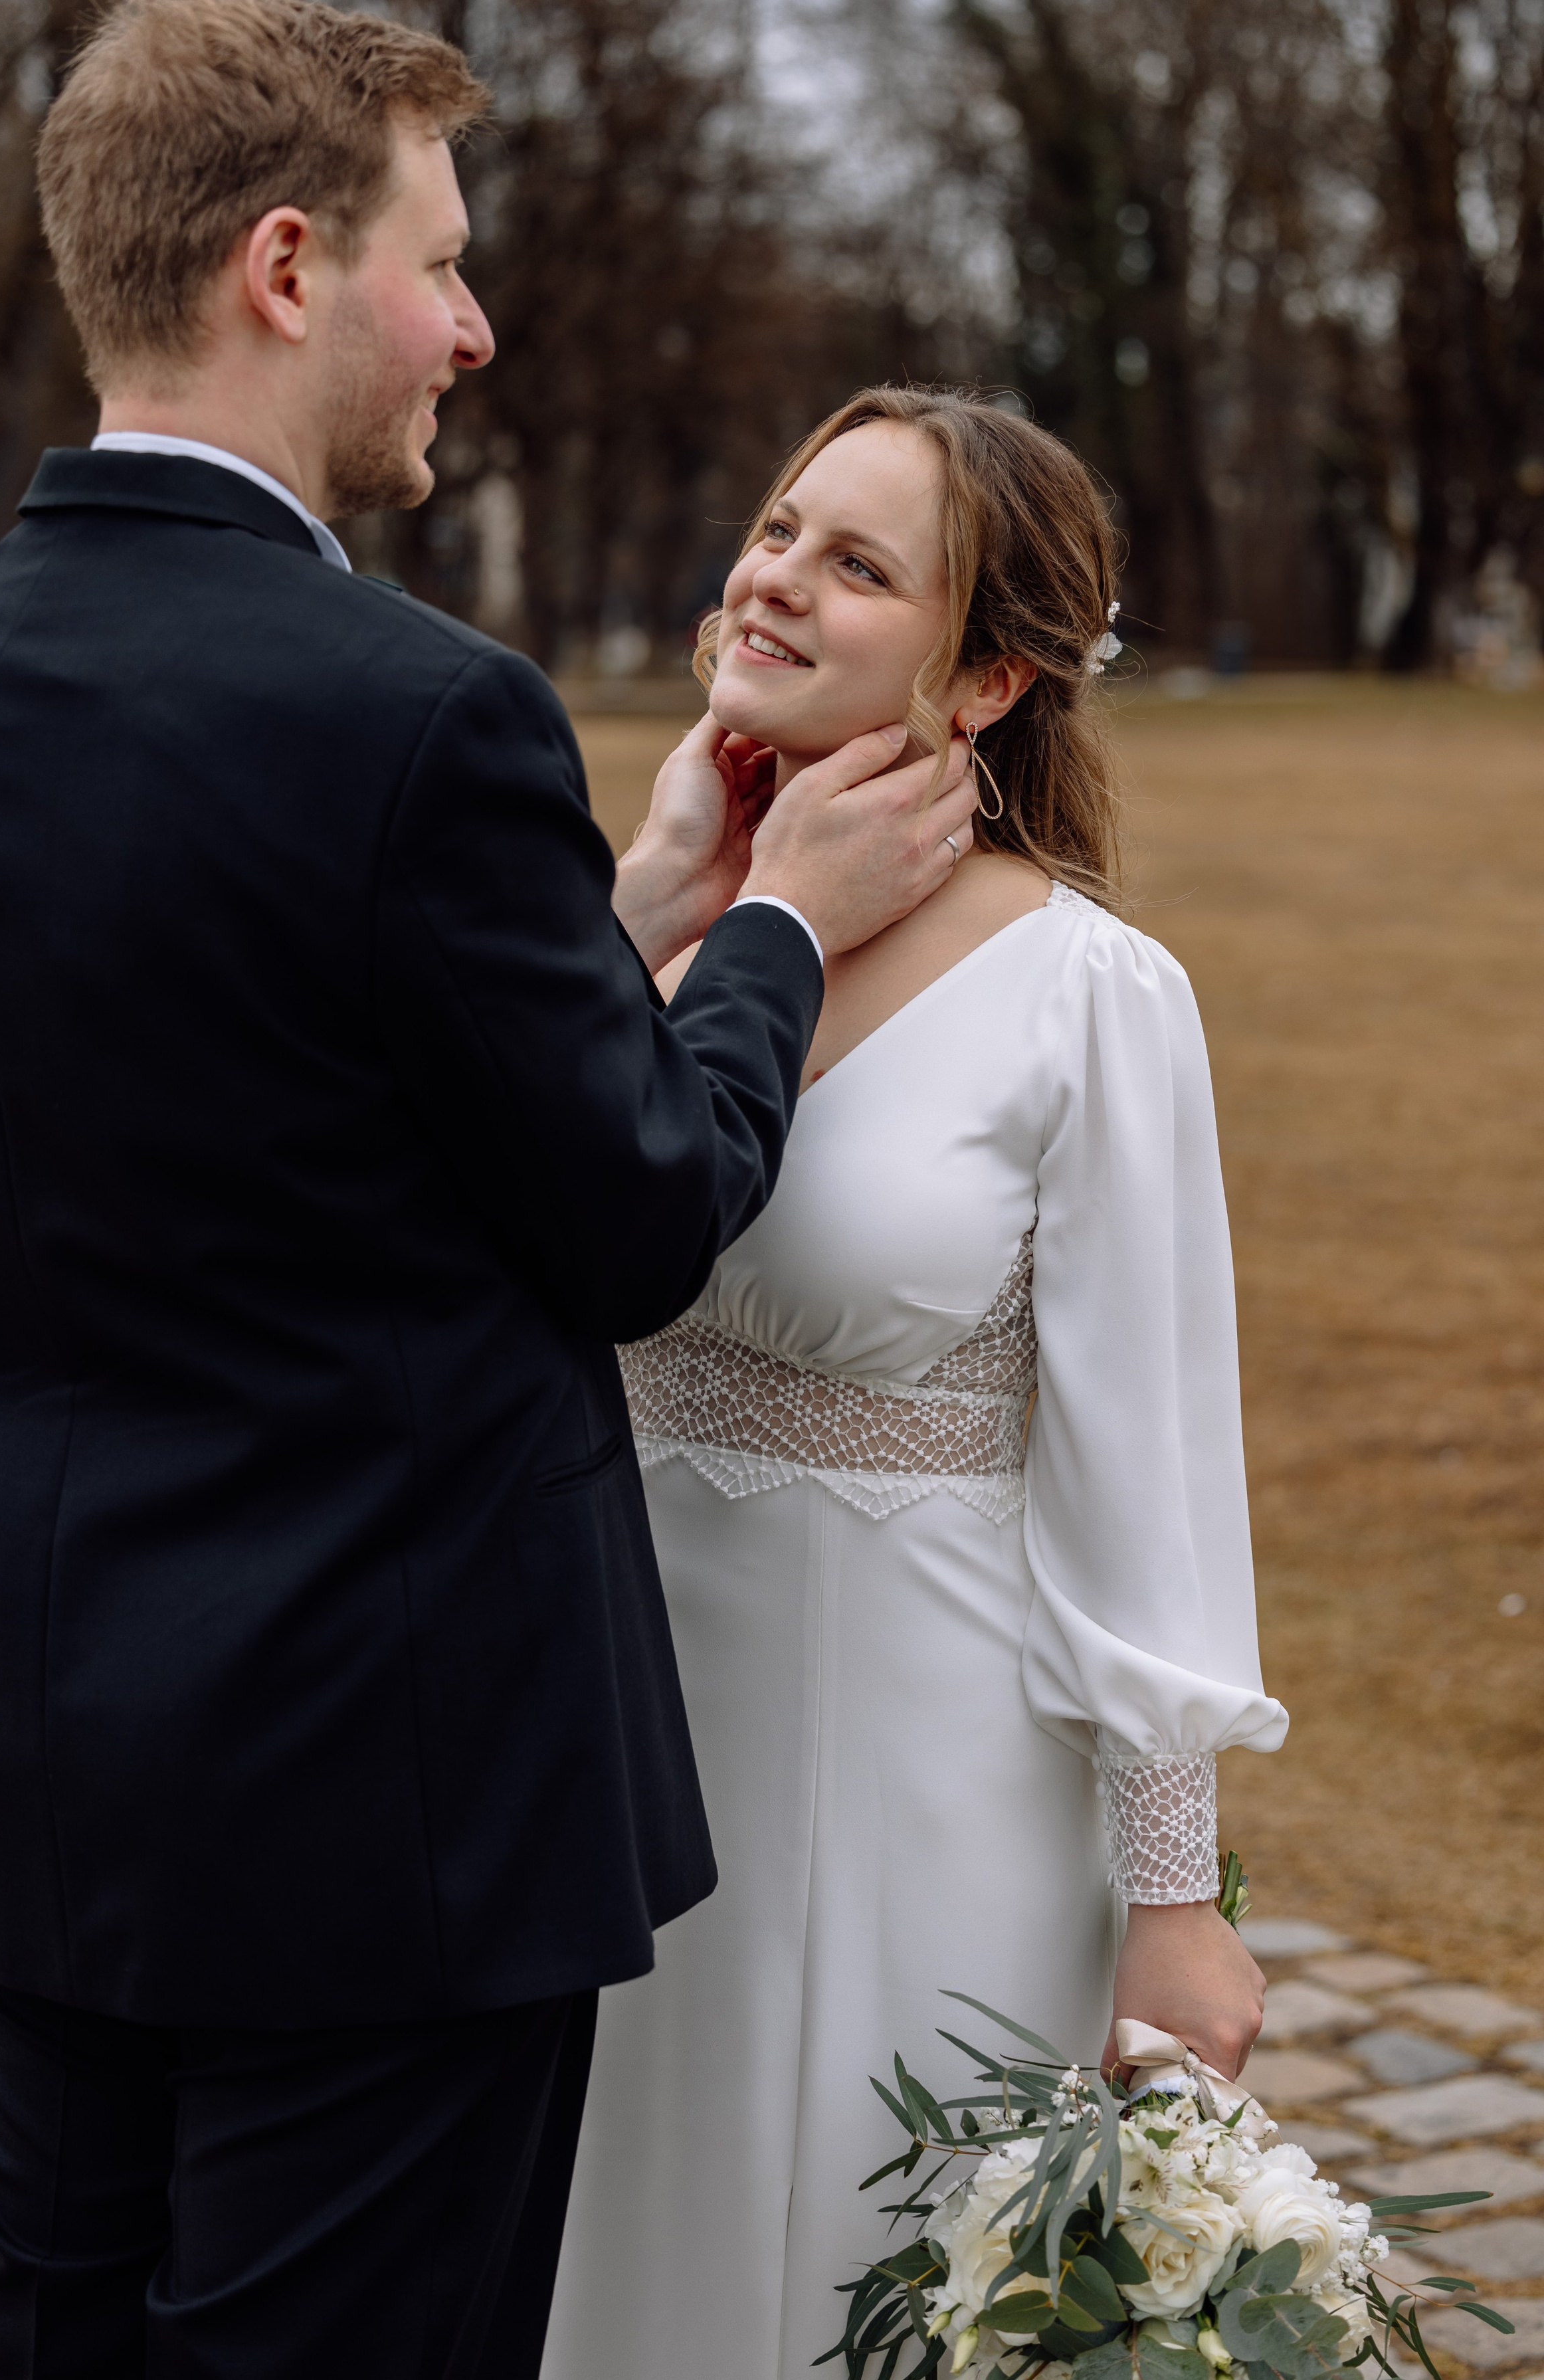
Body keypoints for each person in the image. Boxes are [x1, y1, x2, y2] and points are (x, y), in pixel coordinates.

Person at [0, 0, 977, 2377]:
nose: (472, 324)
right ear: (285, 266)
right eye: (438, 262)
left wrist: (623, 912)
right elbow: (641, 1207)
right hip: (392, 1826)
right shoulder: (417, 710)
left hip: (74, 1780)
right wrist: (779, 926)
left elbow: (277, 1084)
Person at [541, 387, 1290, 2380]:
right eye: (781, 524)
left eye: (854, 560)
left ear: (987, 680)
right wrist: (649, 915)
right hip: (612, 1747)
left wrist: (1170, 1899)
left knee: (871, 2268)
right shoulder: (651, 928)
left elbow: (1148, 1472)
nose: (772, 573)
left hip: (927, 1761)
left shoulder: (1088, 998)